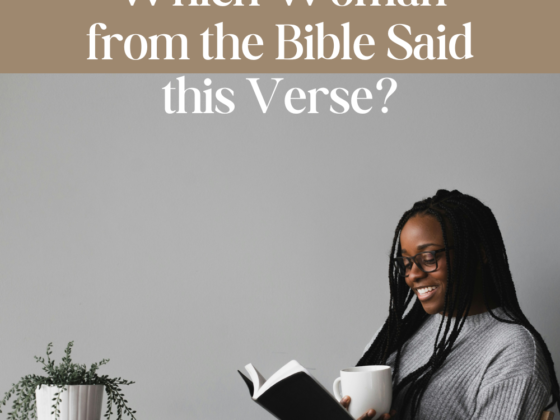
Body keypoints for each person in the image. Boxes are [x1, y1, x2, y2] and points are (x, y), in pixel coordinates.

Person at [341, 190, 559, 420]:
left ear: (478, 253)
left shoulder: (512, 351)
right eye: (406, 262)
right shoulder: (400, 333)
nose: (412, 274)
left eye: (428, 258)